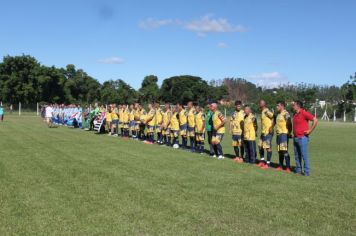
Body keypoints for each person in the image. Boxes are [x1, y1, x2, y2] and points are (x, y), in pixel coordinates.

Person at [292, 100, 318, 176]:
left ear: (298, 106)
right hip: (296, 137)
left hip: (302, 138)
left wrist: (310, 130)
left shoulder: (303, 113)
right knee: (297, 156)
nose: (293, 106)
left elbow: (315, 120)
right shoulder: (295, 114)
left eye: (294, 105)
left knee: (304, 155)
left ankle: (306, 172)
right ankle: (298, 170)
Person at [275, 101, 292, 172]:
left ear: (282, 106)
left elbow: (289, 123)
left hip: (284, 134)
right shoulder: (278, 114)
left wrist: (289, 132)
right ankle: (280, 166)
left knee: (284, 150)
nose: (277, 107)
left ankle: (288, 167)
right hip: (278, 135)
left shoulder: (286, 113)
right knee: (280, 151)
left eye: (278, 105)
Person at [258, 100, 274, 169]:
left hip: (268, 132)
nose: (259, 104)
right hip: (263, 132)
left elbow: (274, 116)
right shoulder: (262, 111)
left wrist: (271, 127)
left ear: (264, 104)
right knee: (260, 146)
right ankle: (262, 161)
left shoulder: (266, 111)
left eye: (260, 103)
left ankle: (268, 164)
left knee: (268, 148)